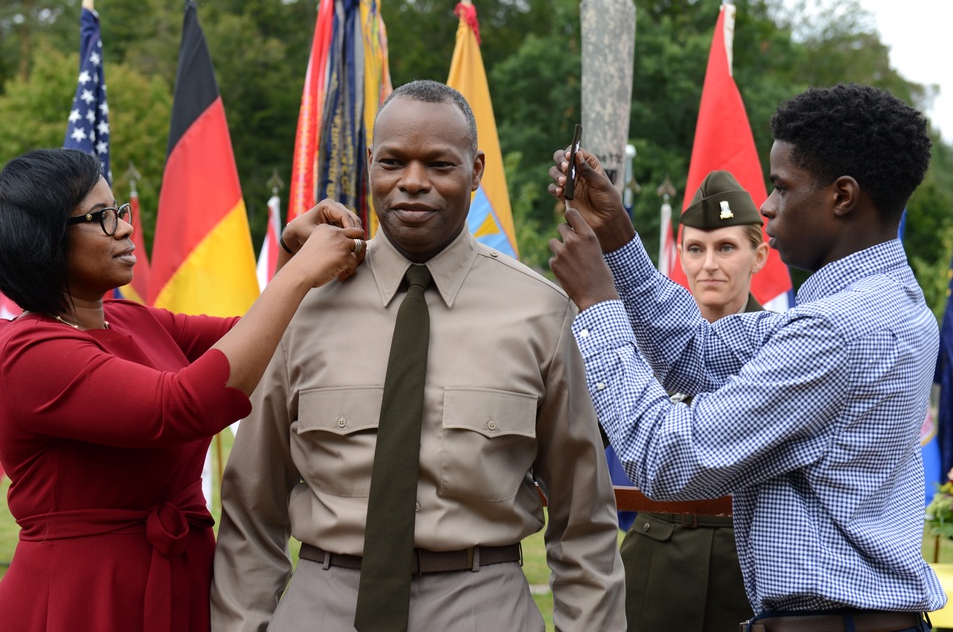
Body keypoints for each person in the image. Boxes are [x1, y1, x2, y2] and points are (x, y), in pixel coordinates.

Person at [211, 79, 625, 632]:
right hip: (324, 603)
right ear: (370, 165)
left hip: (482, 606)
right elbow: (250, 509)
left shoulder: (541, 314)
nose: (412, 183)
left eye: (439, 165)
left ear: (476, 171)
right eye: (393, 162)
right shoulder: (301, 304)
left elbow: (584, 521)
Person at [547, 83, 945, 632]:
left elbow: (670, 458)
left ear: (843, 196)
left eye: (782, 187)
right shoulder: (881, 303)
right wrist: (618, 239)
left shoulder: (839, 330)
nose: (767, 205)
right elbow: (699, 351)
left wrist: (597, 303)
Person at [0, 147, 366, 632]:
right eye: (100, 218)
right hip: (83, 599)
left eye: (119, 211)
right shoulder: (27, 352)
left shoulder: (130, 319)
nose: (124, 227)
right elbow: (180, 406)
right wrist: (303, 271)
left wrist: (287, 249)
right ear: (43, 242)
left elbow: (260, 342)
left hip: (181, 577)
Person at [620, 170, 766, 631]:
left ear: (758, 256)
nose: (709, 265)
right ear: (678, 256)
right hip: (657, 551)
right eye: (695, 249)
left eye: (726, 247)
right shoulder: (638, 345)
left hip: (748, 557)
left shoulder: (785, 346)